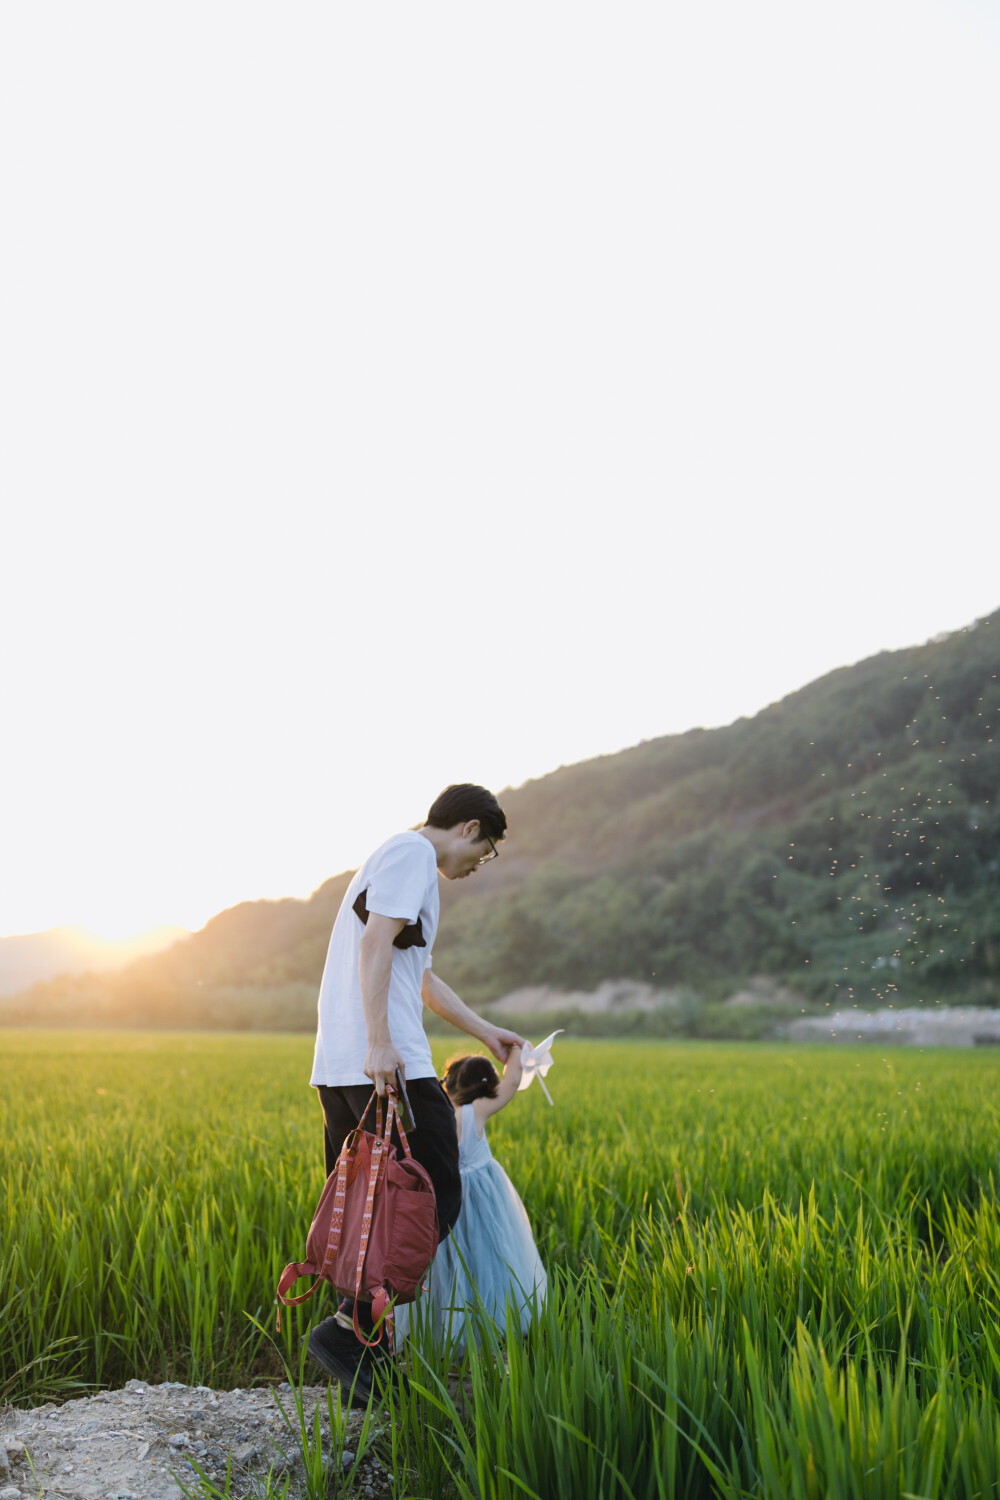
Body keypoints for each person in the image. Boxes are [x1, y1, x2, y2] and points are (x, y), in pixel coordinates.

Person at [307, 783, 525, 1405]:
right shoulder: (410, 856)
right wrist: (380, 1042)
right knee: (435, 1190)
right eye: (484, 851)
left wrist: (485, 1031)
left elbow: (419, 977)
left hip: (345, 1064)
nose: (477, 864)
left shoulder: (401, 863)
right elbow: (376, 944)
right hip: (381, 1062)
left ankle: (362, 1353)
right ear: (469, 827)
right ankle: (350, 1333)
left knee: (372, 1208)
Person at [395, 1048, 547, 1354]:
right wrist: (516, 1049)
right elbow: (514, 1080)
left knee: (445, 1266)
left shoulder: (434, 1114)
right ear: (485, 1085)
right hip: (482, 1198)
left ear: (449, 1082)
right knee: (487, 1261)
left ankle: (442, 1335)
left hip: (444, 1198)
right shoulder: (478, 1108)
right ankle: (487, 1333)